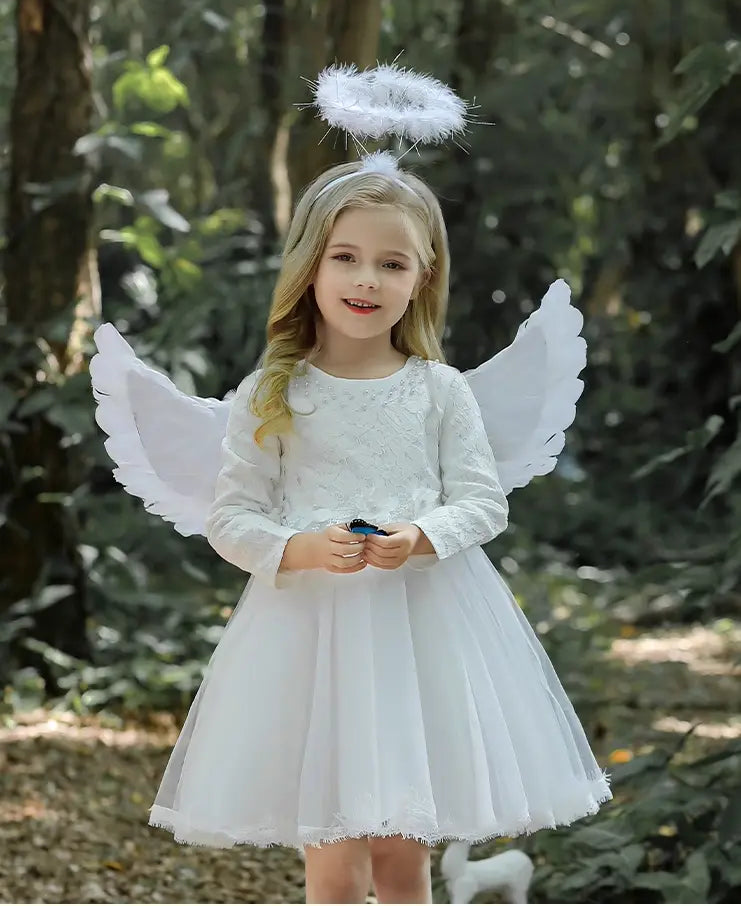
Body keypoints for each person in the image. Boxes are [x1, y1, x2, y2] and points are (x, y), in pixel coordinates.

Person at [138, 157, 612, 904]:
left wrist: (421, 535)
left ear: (421, 277)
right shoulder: (274, 393)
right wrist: (298, 546)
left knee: (401, 854)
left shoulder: (439, 391)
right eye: (346, 258)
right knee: (331, 858)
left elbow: (483, 503)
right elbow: (232, 518)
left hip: (420, 637)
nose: (366, 281)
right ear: (311, 266)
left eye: (391, 264)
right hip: (311, 640)